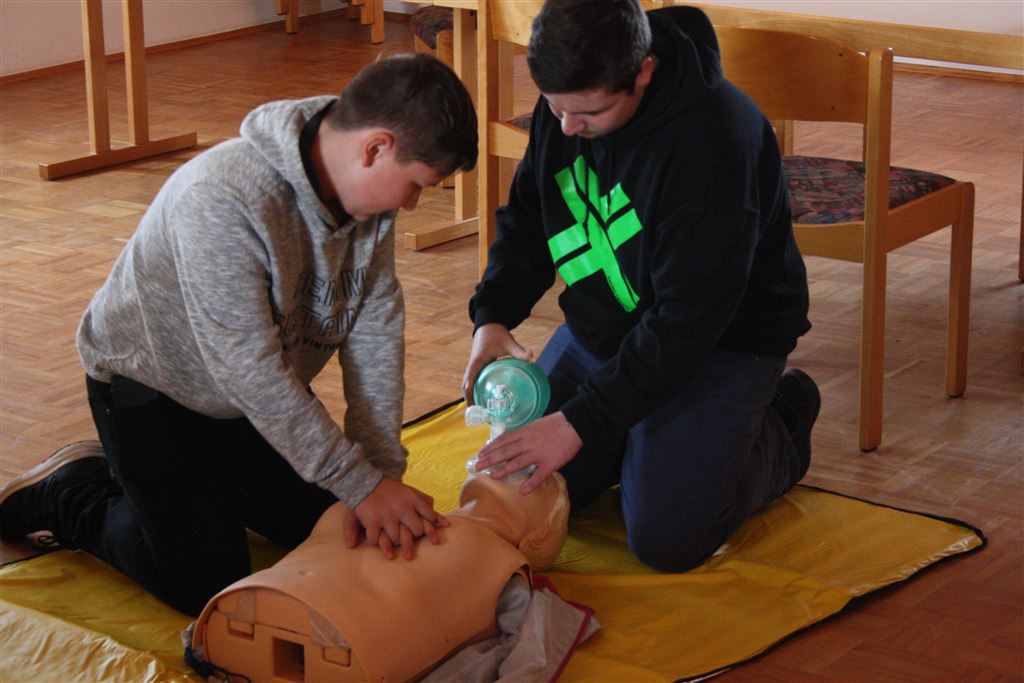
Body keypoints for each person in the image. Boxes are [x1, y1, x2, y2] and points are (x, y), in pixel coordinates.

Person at [0, 53, 477, 617]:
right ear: (375, 148)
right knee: (206, 584)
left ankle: (207, 488)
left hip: (243, 401)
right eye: (417, 185)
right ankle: (72, 487)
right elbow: (248, 368)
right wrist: (360, 485)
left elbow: (374, 328)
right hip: (152, 391)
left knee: (335, 527)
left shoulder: (368, 201)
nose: (412, 203)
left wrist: (376, 476)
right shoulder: (222, 196)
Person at [462, 1, 820, 573]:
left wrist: (580, 422)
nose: (567, 128)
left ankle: (783, 421)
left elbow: (686, 323)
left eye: (588, 113)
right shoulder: (572, 99)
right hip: (605, 331)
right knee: (527, 486)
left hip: (719, 344)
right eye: (554, 108)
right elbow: (529, 220)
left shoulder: (715, 140)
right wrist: (493, 318)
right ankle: (641, 438)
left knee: (666, 539)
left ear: (645, 71)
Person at [188, 472, 586, 683]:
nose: (515, 462)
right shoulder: (403, 508)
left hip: (351, 641)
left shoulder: (505, 565)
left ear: (539, 536)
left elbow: (527, 640)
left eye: (533, 476)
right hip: (284, 599)